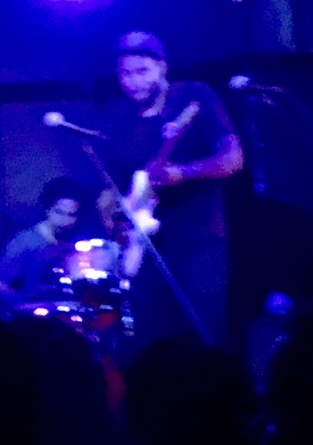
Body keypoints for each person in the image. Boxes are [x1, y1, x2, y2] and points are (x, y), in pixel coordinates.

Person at [102, 31, 242, 349]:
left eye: (142, 71)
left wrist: (184, 172)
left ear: (163, 67)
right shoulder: (116, 119)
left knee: (206, 336)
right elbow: (111, 189)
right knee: (151, 342)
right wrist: (112, 219)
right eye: (125, 73)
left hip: (201, 242)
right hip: (146, 250)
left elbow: (234, 158)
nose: (133, 82)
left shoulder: (193, 95)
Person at [0, 178, 90, 304]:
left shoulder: (80, 244)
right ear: (47, 209)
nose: (64, 221)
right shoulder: (26, 241)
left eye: (71, 215)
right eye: (59, 212)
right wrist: (22, 304)